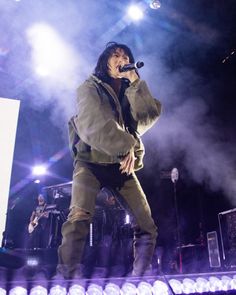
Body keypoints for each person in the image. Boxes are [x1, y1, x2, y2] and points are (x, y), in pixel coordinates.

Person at [57, 41, 162, 279]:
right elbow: (93, 125)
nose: (122, 59)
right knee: (78, 217)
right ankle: (66, 279)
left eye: (126, 56)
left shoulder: (128, 90)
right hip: (90, 162)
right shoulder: (89, 87)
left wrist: (136, 83)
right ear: (105, 61)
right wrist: (128, 147)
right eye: (116, 55)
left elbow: (146, 118)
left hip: (120, 165)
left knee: (147, 226)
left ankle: (139, 280)